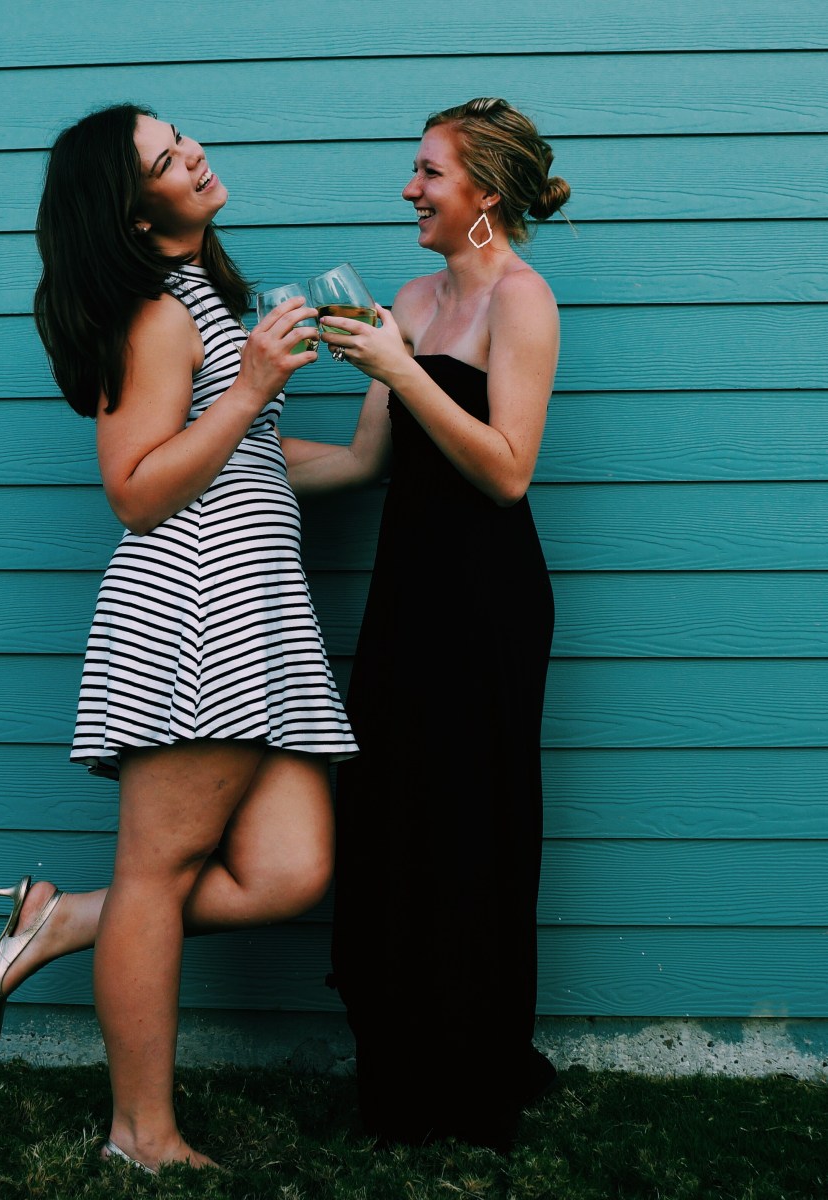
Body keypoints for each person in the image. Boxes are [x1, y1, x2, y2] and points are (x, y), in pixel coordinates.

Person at [0, 103, 357, 1174]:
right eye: (164, 158)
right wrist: (253, 386)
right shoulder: (152, 314)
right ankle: (141, 1137)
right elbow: (136, 489)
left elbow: (252, 457)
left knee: (288, 870)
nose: (193, 152)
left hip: (264, 616)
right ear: (135, 217)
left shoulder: (207, 299)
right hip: (199, 614)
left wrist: (384, 408)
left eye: (181, 137)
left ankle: (65, 921)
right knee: (156, 877)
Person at [283, 97, 570, 1150]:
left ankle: (472, 1069)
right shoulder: (408, 296)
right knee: (395, 815)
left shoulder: (522, 301)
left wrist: (400, 368)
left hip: (488, 600)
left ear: (484, 191)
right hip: (407, 594)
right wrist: (226, 440)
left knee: (469, 823)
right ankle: (399, 1065)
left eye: (429, 172)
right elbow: (367, 462)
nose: (410, 189)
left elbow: (508, 471)